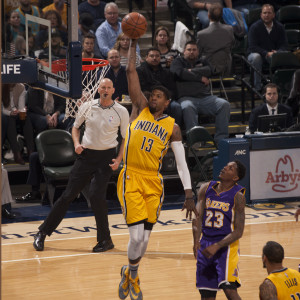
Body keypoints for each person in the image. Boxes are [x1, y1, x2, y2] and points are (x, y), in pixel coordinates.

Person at [117, 38, 197, 300]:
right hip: (131, 176)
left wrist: (188, 193)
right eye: (152, 95)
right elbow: (130, 72)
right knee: (136, 236)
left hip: (153, 181)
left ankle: (132, 272)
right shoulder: (139, 108)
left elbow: (182, 164)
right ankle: (132, 272)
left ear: (167, 102)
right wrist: (133, 44)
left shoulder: (173, 127)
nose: (153, 98)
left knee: (145, 241)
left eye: (158, 96)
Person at [33, 78, 129, 252]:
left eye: (108, 87)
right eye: (103, 87)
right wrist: (76, 144)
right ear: (98, 89)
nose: (105, 90)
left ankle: (105, 240)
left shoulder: (121, 111)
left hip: (106, 158)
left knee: (96, 197)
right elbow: (75, 128)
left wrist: (120, 158)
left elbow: (124, 137)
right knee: (68, 195)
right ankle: (42, 233)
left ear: (113, 90)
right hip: (86, 156)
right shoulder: (88, 106)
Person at [192, 160, 246, 300]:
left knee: (229, 290)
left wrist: (217, 246)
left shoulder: (238, 196)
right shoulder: (206, 188)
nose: (225, 168)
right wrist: (196, 240)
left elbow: (239, 231)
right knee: (206, 294)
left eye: (230, 168)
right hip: (205, 244)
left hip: (226, 247)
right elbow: (197, 217)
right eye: (226, 165)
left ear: (235, 178)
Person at [170, 41, 230, 144]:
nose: (191, 52)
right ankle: (195, 141)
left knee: (224, 104)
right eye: (189, 50)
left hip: (205, 98)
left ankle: (221, 139)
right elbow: (179, 73)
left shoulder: (203, 60)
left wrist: (190, 72)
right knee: (187, 107)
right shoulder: (178, 61)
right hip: (186, 98)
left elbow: (210, 70)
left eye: (194, 50)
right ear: (184, 51)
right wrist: (199, 77)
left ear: (198, 52)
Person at [136, 47, 182, 126]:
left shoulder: (166, 72)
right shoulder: (140, 71)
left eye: (157, 56)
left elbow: (172, 90)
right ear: (146, 57)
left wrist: (165, 100)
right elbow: (142, 88)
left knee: (176, 106)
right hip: (148, 99)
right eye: (152, 56)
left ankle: (175, 133)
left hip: (165, 100)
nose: (154, 58)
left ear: (160, 58)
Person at [247, 4, 288, 92]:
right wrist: (266, 53)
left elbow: (284, 45)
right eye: (264, 13)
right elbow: (252, 47)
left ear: (273, 15)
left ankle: (281, 88)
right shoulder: (254, 27)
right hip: (256, 54)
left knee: (283, 56)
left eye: (269, 13)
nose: (266, 15)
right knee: (256, 57)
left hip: (273, 55)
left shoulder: (279, 27)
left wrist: (278, 52)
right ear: (261, 15)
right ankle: (257, 88)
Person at [196, 4, 235, 76]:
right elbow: (232, 45)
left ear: (208, 15)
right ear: (221, 16)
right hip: (226, 67)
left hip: (209, 69)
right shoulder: (230, 29)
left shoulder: (201, 34)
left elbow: (198, 53)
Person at [2, 83, 35, 165]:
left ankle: (31, 153)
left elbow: (21, 106)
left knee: (26, 118)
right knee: (10, 120)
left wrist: (21, 110)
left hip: (15, 112)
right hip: (5, 113)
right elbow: (1, 109)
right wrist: (10, 113)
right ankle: (17, 154)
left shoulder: (21, 87)